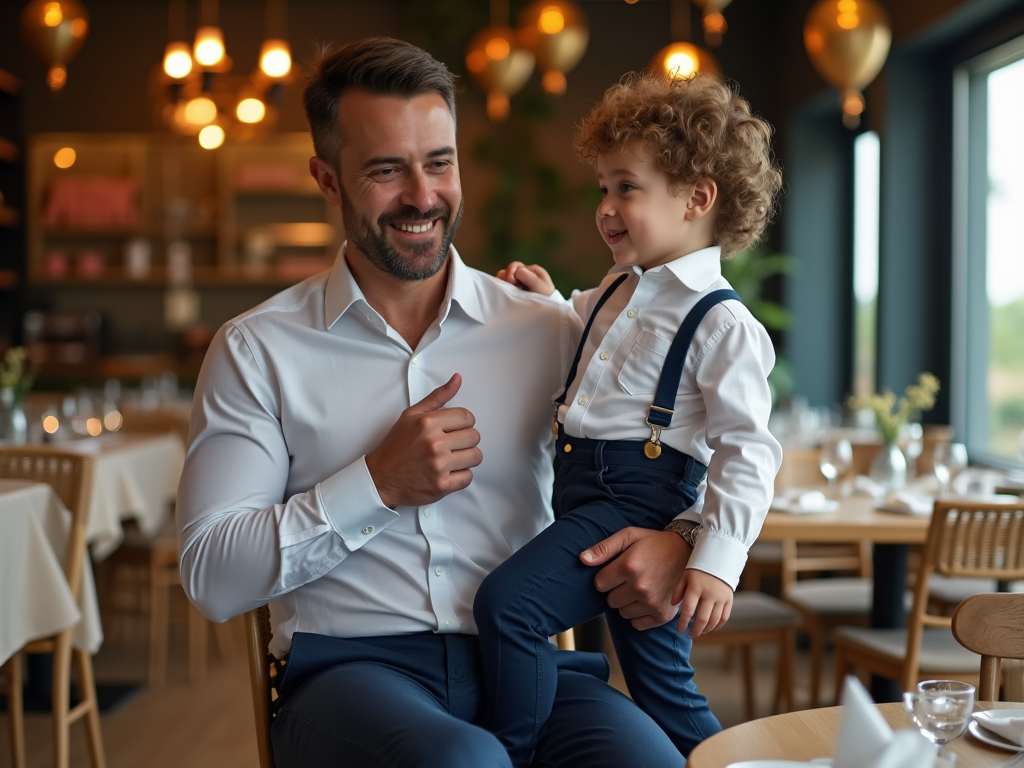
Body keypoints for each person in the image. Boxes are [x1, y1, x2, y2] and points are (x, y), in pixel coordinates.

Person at [176, 38, 709, 768]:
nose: (423, 197)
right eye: (386, 170)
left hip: (532, 671)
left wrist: (678, 539)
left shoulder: (550, 331)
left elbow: (690, 449)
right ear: (327, 180)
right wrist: (376, 485)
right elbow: (211, 575)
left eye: (439, 162)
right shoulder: (257, 351)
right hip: (350, 679)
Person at [473, 71, 785, 766]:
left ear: (697, 198)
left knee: (509, 608)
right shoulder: (618, 286)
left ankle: (511, 754)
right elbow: (580, 337)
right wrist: (550, 298)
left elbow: (749, 450)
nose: (606, 207)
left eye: (627, 187)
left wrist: (716, 563)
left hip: (632, 500)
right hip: (581, 492)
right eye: (603, 189)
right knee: (667, 697)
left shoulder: (723, 322)